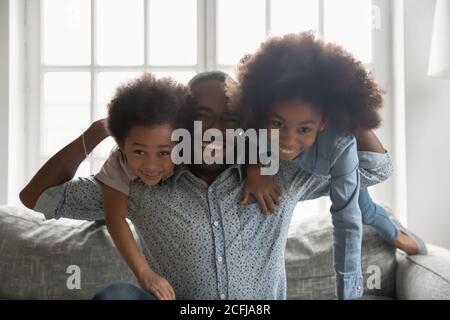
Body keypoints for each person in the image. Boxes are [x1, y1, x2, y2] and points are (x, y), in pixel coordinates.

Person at [20, 71, 393, 300]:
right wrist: (96, 133)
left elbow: (375, 167)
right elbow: (37, 197)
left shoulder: (278, 171)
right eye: (201, 118)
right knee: (118, 296)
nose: (213, 131)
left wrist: (336, 103)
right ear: (178, 122)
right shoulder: (144, 178)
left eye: (229, 119)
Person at [236, 32, 427, 257]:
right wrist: (256, 170)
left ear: (325, 121)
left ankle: (398, 236)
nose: (288, 138)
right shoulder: (256, 122)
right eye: (279, 123)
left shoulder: (339, 137)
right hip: (310, 171)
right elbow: (241, 139)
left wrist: (350, 112)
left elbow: (380, 168)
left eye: (304, 128)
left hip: (338, 169)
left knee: (365, 210)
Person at [95, 73, 188, 300]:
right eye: (139, 152)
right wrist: (145, 273)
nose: (151, 165)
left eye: (164, 153)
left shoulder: (196, 158)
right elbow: (115, 218)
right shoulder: (118, 163)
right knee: (114, 295)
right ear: (121, 144)